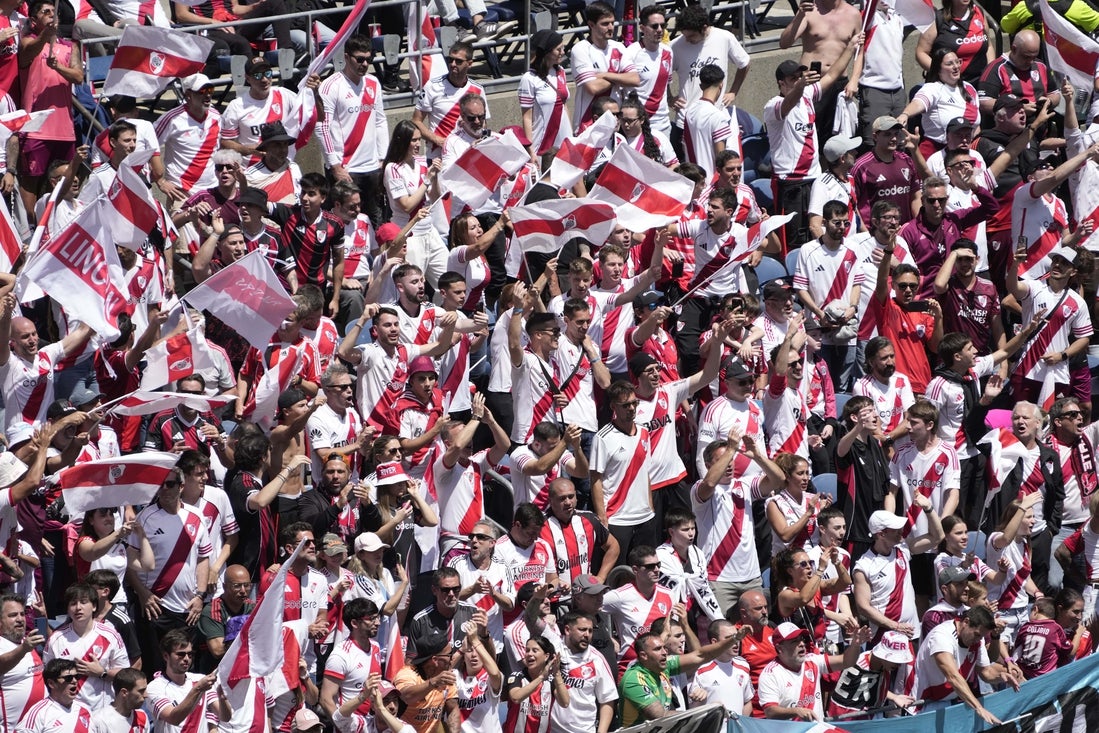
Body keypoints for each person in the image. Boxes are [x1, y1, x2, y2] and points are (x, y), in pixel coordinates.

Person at [764, 34, 860, 249]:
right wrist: (801, 86)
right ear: (781, 83)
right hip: (790, 182)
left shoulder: (807, 94)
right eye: (792, 79)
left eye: (800, 76)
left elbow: (833, 74)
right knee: (793, 239)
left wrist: (850, 47)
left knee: (818, 230)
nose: (798, 81)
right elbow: (788, 104)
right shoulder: (774, 105)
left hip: (814, 177)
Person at [316, 35, 389, 226]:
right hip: (347, 170)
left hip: (372, 168)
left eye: (368, 59)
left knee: (376, 222)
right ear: (347, 57)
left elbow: (381, 121)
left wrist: (383, 159)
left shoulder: (373, 83)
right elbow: (322, 126)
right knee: (343, 223)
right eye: (360, 59)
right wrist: (335, 166)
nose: (364, 64)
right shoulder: (331, 86)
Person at [913, 607, 1023, 722]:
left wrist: (1001, 676)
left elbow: (986, 672)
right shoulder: (941, 637)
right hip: (921, 705)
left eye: (981, 636)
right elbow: (953, 677)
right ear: (966, 622)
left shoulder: (977, 641)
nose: (979, 639)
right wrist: (979, 707)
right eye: (977, 635)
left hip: (948, 702)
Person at [618, 626, 745, 725]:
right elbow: (659, 716)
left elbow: (700, 655)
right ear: (644, 655)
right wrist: (705, 713)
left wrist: (734, 639)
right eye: (657, 649)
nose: (664, 653)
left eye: (664, 648)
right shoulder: (634, 679)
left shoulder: (663, 665)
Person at [777, 0, 862, 140]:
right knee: (807, 132)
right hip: (811, 82)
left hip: (839, 84)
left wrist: (854, 80)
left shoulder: (853, 14)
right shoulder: (810, 11)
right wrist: (800, 15)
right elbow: (784, 43)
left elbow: (860, 51)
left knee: (836, 139)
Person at [757, 621, 869, 721]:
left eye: (801, 639)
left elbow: (846, 661)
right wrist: (796, 711)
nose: (801, 644)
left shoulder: (812, 660)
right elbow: (770, 712)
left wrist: (855, 644)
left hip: (817, 728)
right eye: (794, 641)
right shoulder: (770, 675)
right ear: (779, 648)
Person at [43, 583, 129, 710]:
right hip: (68, 712)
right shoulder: (56, 639)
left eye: (83, 602)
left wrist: (102, 673)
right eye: (73, 604)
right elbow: (47, 676)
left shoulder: (111, 635)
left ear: (94, 606)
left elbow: (126, 674)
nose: (78, 608)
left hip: (102, 710)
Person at [570, 2, 639, 132]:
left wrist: (606, 75)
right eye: (605, 24)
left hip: (617, 122)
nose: (611, 27)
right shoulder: (580, 49)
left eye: (612, 22)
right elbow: (593, 87)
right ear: (591, 25)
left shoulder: (618, 47)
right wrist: (620, 76)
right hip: (589, 123)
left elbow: (635, 79)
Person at [145, 629, 226, 733]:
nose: (186, 658)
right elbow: (173, 719)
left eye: (190, 654)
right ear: (166, 656)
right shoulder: (154, 687)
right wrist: (198, 689)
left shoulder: (200, 679)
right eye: (181, 654)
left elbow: (225, 717)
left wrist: (223, 699)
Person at [826, 630, 916, 719]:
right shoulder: (860, 667)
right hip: (850, 718)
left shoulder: (884, 664)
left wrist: (894, 697)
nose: (899, 665)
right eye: (896, 660)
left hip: (871, 714)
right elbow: (846, 707)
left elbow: (872, 687)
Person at [622, 5, 674, 136]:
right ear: (642, 28)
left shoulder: (668, 52)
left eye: (663, 25)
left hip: (663, 124)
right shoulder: (631, 53)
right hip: (639, 125)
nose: (660, 30)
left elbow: (666, 85)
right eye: (654, 26)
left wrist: (672, 99)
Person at [519, 30, 570, 160]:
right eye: (558, 49)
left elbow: (564, 106)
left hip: (564, 140)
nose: (563, 52)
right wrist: (530, 150)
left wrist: (570, 136)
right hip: (541, 143)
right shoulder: (529, 79)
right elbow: (527, 117)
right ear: (547, 52)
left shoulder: (561, 72)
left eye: (563, 48)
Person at [917, 0, 995, 84]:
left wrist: (989, 73)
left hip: (979, 83)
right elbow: (921, 52)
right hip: (948, 85)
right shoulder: (937, 18)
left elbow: (989, 46)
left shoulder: (979, 13)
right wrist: (941, 73)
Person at [687, 620, 753, 715]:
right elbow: (691, 710)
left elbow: (747, 701)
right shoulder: (700, 669)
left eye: (738, 636)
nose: (736, 642)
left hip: (735, 729)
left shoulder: (743, 665)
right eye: (730, 638)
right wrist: (698, 699)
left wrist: (740, 726)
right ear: (714, 642)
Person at [0, 593, 46, 728]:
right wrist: (24, 649)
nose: (20, 619)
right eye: (13, 615)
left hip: (39, 725)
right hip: (13, 727)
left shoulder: (27, 641)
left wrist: (42, 616)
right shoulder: (24, 645)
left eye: (22, 614)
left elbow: (56, 644)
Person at [18, 658, 94, 733]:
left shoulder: (84, 708)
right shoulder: (40, 714)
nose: (74, 681)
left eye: (77, 677)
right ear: (51, 683)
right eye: (68, 678)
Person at [1013, 597, 1071, 679]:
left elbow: (1017, 645)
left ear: (1035, 610)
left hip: (1024, 673)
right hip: (1045, 677)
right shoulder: (1055, 628)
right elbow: (1067, 649)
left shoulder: (1025, 627)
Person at [89, 667, 149, 733]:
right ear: (124, 692)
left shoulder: (142, 716)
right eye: (141, 691)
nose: (146, 695)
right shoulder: (99, 721)